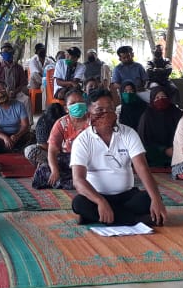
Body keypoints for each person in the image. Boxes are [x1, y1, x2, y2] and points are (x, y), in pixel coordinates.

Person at [70, 89, 167, 226]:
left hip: (127, 196)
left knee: (150, 198)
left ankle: (98, 217)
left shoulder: (128, 133)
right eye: (99, 110)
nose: (106, 113)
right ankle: (136, 220)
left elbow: (142, 168)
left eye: (110, 108)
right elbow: (78, 180)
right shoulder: (82, 141)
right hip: (97, 196)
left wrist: (156, 199)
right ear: (89, 114)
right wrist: (100, 202)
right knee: (79, 203)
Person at [35, 91, 88, 189]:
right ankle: (76, 182)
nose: (77, 105)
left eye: (80, 102)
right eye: (72, 103)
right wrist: (55, 170)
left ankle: (75, 182)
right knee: (43, 171)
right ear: (66, 108)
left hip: (88, 161)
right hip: (68, 160)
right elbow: (52, 150)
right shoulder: (61, 123)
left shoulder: (92, 122)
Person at [137, 85, 183, 168]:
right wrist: (164, 150)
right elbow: (144, 140)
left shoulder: (176, 113)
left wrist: (175, 148)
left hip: (176, 151)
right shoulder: (147, 116)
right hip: (155, 155)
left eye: (163, 96)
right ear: (152, 100)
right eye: (157, 97)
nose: (161, 99)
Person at [0, 81, 34, 153]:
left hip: (16, 135)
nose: (0, 93)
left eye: (2, 89)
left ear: (8, 91)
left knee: (32, 137)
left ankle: (10, 149)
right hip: (0, 136)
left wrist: (17, 136)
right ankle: (14, 150)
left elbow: (25, 125)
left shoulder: (19, 105)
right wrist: (5, 137)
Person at [25, 101, 66, 166]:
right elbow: (43, 145)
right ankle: (48, 164)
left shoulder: (66, 120)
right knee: (29, 150)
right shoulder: (43, 122)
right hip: (49, 152)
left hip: (66, 154)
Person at [0, 43, 28, 109]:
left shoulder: (18, 68)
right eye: (4, 51)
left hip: (16, 92)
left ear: (12, 53)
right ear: (1, 54)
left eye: (9, 51)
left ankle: (27, 119)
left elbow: (23, 83)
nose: (7, 53)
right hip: (1, 92)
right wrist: (2, 92)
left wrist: (15, 92)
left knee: (26, 100)